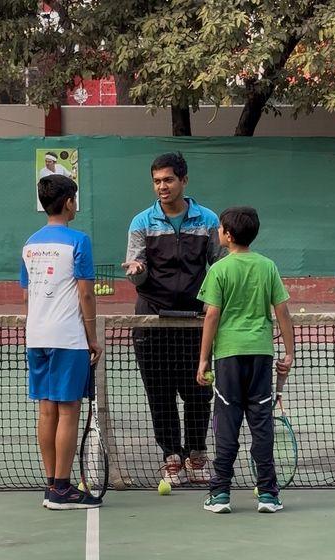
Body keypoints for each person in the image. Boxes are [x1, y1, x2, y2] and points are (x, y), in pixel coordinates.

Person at [122, 152, 227, 486]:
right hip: (152, 320)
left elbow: (220, 264)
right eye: (156, 181)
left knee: (198, 390)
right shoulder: (141, 222)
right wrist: (136, 273)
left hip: (195, 321)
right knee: (160, 392)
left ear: (184, 180)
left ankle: (196, 455)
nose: (162, 187)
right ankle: (171, 456)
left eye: (168, 180)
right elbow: (134, 270)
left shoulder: (208, 220)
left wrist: (219, 304)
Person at [196, 206, 294, 514]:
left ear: (227, 234)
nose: (218, 232)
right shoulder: (268, 266)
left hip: (228, 357)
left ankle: (220, 493)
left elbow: (212, 314)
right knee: (261, 425)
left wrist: (203, 361)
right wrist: (289, 353)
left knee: (227, 424)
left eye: (220, 228)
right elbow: (283, 312)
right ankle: (268, 494)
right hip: (261, 355)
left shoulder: (219, 270)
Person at [20, 174, 103, 510]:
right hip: (68, 338)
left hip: (35, 336)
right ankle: (63, 489)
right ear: (69, 202)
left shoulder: (29, 243)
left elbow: (26, 294)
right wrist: (93, 337)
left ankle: (52, 484)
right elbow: (85, 292)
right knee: (68, 411)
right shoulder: (79, 240)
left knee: (46, 410)